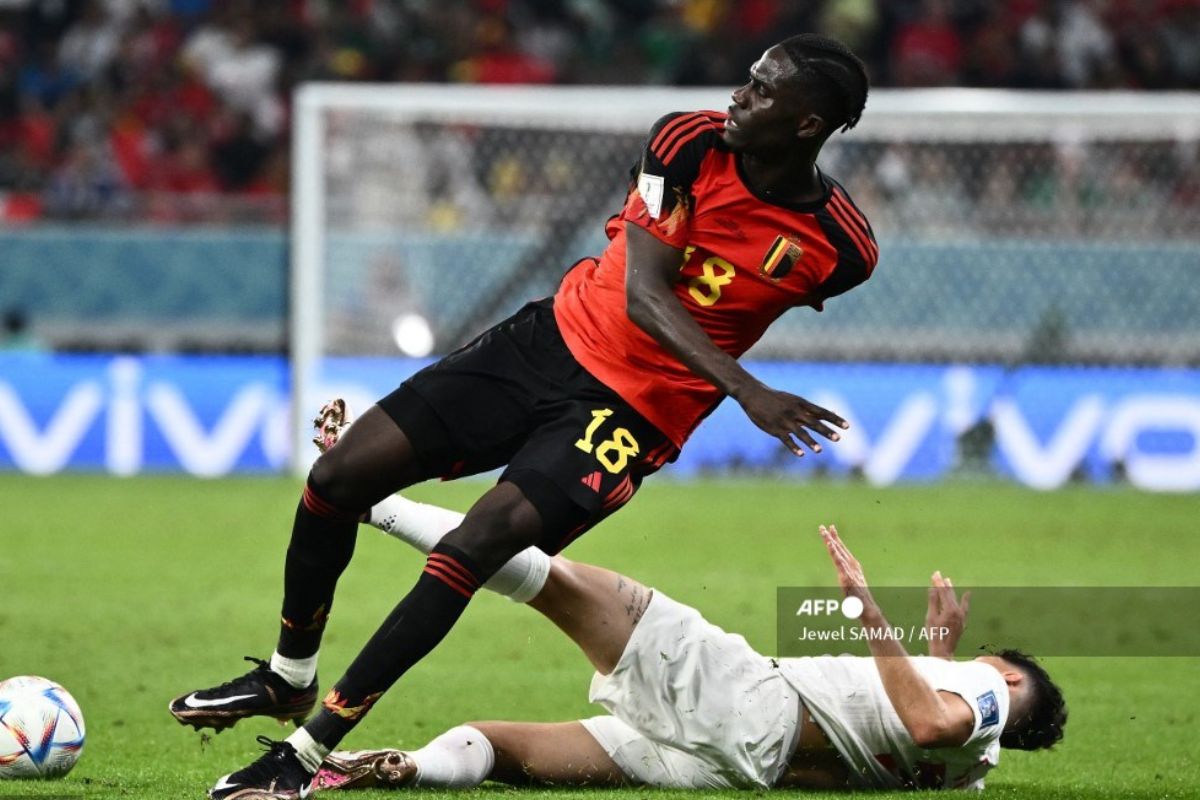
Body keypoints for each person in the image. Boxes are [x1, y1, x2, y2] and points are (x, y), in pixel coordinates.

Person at [174, 33, 880, 800]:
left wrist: (722, 386)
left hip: (633, 415)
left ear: (808, 124)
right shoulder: (687, 142)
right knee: (338, 475)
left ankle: (305, 755)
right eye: (749, 79)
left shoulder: (842, 250)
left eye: (765, 90)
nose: (740, 95)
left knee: (477, 545)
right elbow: (646, 296)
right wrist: (747, 389)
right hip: (548, 342)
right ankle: (288, 676)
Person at [297, 464, 1065, 792]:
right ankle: (408, 769)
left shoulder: (980, 695)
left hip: (753, 704)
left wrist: (872, 616)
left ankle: (366, 497)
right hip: (735, 765)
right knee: (504, 748)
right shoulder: (974, 773)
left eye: (984, 668)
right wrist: (938, 654)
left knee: (554, 579)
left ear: (1004, 678)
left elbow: (932, 719)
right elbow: (923, 725)